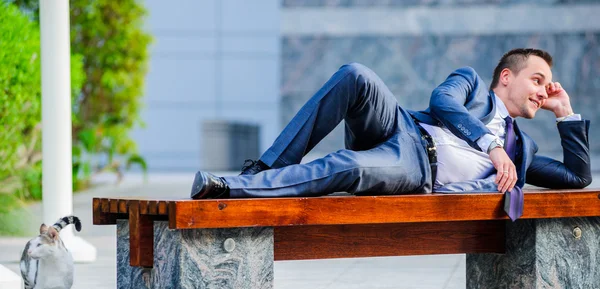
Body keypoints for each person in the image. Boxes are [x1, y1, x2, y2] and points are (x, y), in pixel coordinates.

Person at [190, 48, 591, 219]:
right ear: (507, 77)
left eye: (548, 86)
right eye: (537, 80)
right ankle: (260, 172)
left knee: (347, 165)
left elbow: (576, 178)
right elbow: (441, 102)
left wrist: (566, 113)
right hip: (404, 126)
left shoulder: (523, 149)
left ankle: (228, 189)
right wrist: (491, 146)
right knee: (355, 75)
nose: (543, 91)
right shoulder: (470, 84)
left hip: (415, 166)